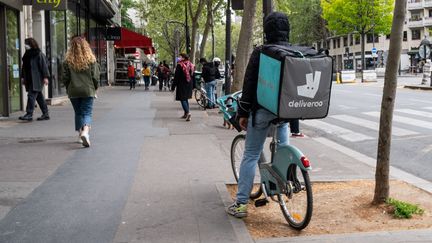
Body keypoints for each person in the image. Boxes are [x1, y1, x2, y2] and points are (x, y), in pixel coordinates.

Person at [226, 12, 291, 218]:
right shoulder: (293, 51)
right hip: (285, 112)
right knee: (283, 149)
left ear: (266, 31)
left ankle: (241, 203)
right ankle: (285, 183)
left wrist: (242, 113)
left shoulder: (261, 52)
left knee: (251, 155)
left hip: (262, 111)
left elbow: (250, 85)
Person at [63, 36, 100, 147]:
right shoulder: (91, 60)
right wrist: (95, 88)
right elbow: (95, 77)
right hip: (88, 90)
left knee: (78, 112)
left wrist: (68, 87)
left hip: (73, 91)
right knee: (87, 112)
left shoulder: (67, 62)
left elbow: (65, 78)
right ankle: (85, 132)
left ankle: (80, 135)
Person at [19, 38, 50, 121]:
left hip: (37, 79)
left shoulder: (39, 54)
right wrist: (22, 77)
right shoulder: (26, 55)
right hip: (29, 78)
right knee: (39, 97)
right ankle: (46, 114)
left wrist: (46, 77)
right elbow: (24, 67)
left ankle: (29, 114)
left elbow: (44, 66)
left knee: (31, 95)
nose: (25, 45)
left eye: (26, 44)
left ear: (31, 44)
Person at [171, 53, 194, 122]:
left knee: (182, 99)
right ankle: (186, 113)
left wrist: (173, 86)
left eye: (180, 57)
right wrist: (194, 85)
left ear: (183, 58)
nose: (179, 58)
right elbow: (193, 75)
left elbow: (176, 77)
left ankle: (188, 113)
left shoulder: (179, 65)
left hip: (182, 84)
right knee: (185, 98)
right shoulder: (191, 64)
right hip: (189, 83)